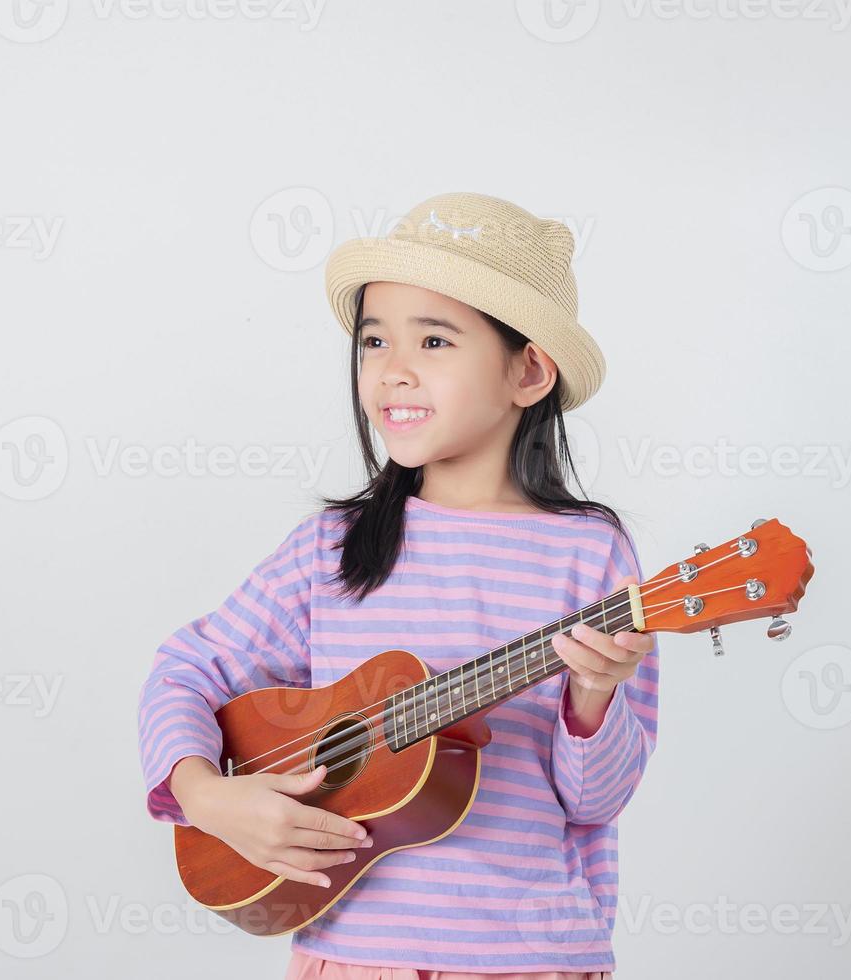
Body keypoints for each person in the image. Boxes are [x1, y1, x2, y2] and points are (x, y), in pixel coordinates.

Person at [136, 191, 660, 979]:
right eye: (374, 340)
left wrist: (592, 703)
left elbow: (597, 802)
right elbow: (186, 672)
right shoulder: (332, 551)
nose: (393, 371)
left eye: (436, 340)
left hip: (528, 956)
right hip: (352, 957)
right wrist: (208, 797)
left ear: (528, 370)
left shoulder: (588, 557)